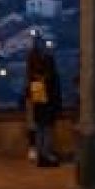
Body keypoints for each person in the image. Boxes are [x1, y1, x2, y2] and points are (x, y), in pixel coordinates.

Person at [25, 39, 63, 167]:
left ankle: (41, 154)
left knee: (40, 128)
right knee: (47, 129)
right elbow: (54, 91)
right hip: (48, 105)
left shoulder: (33, 77)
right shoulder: (50, 75)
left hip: (39, 105)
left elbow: (33, 94)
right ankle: (46, 155)